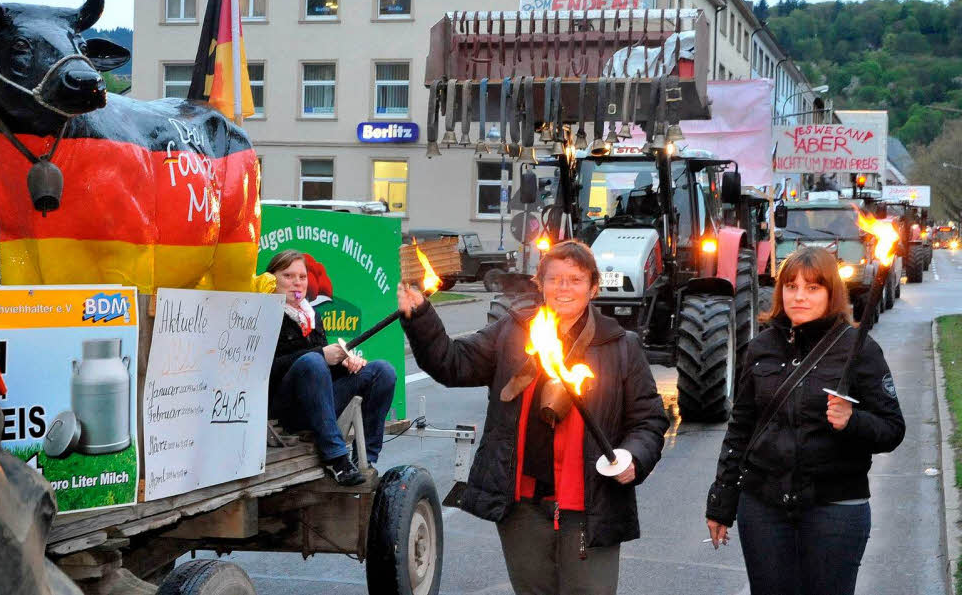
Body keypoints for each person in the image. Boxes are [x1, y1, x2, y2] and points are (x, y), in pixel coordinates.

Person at [398, 240, 667, 595]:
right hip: (524, 505)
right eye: (554, 279)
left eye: (575, 279)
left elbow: (649, 421)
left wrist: (634, 456)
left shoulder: (620, 345)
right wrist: (420, 318)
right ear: (540, 284)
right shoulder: (514, 332)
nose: (564, 288)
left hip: (591, 503)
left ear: (594, 287)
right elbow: (453, 363)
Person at [705, 247, 905, 595]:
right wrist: (721, 501)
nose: (799, 296)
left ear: (832, 294)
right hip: (764, 508)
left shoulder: (858, 350)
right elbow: (741, 429)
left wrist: (852, 421)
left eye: (812, 288)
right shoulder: (761, 348)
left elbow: (892, 429)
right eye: (791, 286)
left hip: (835, 510)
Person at [267, 250, 396, 486]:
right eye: (288, 275)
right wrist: (320, 354)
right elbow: (266, 371)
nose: (297, 282)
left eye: (302, 277)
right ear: (271, 278)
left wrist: (345, 363)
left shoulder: (311, 315)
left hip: (318, 404)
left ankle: (365, 457)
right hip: (283, 413)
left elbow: (320, 373)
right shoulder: (262, 314)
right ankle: (337, 460)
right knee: (313, 361)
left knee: (382, 371)